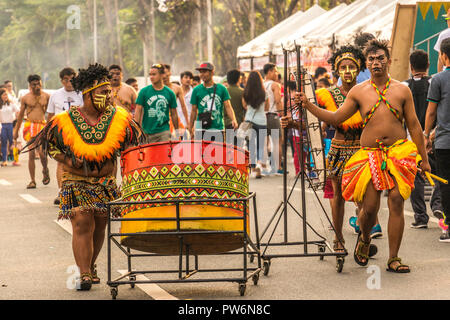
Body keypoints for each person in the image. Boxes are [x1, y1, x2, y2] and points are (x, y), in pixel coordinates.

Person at [295, 39, 431, 273]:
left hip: (399, 154)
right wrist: (308, 105)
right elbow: (337, 118)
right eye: (371, 59)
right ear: (366, 64)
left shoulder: (402, 90)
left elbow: (415, 126)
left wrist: (424, 159)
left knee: (397, 200)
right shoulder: (359, 91)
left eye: (380, 58)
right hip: (369, 155)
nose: (376, 63)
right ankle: (365, 237)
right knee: (369, 208)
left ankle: (394, 258)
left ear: (389, 61)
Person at [22, 63, 143, 290]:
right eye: (103, 92)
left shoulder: (120, 118)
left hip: (105, 182)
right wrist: (68, 160)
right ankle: (84, 273)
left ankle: (90, 264)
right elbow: (51, 146)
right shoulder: (65, 121)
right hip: (75, 180)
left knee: (99, 225)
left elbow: (131, 147)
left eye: (109, 92)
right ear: (88, 93)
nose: (110, 96)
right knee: (81, 222)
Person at [404, 50, 444, 229]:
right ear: (428, 65)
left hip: (411, 138)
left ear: (411, 66)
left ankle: (420, 217)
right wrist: (430, 134)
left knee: (415, 177)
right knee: (441, 174)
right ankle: (437, 204)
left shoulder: (404, 86)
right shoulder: (434, 82)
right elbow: (437, 110)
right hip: (435, 136)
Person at [424, 38, 450, 242]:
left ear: (443, 55)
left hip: (444, 142)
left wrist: (426, 135)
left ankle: (448, 227)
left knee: (446, 185)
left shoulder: (438, 79)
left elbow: (431, 111)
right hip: (443, 140)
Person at [47, 67, 84, 205]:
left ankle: (77, 191)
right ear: (62, 81)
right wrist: (48, 133)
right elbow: (50, 116)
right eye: (66, 80)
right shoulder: (55, 95)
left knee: (78, 161)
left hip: (78, 132)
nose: (69, 82)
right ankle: (61, 191)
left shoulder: (81, 94)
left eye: (72, 79)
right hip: (60, 133)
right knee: (61, 161)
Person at [13, 74, 50, 189]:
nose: (37, 86)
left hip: (42, 126)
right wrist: (16, 130)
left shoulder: (47, 96)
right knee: (31, 153)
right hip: (30, 126)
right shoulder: (25, 98)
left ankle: (45, 169)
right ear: (30, 85)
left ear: (41, 83)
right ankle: (32, 180)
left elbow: (51, 113)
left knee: (43, 154)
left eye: (38, 83)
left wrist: (50, 128)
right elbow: (20, 117)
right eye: (34, 84)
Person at [189, 62, 238, 142]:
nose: (202, 74)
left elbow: (228, 106)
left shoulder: (222, 89)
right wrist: (190, 127)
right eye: (200, 72)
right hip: (201, 128)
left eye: (204, 72)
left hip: (218, 128)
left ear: (212, 72)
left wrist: (233, 119)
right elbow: (193, 111)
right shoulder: (196, 90)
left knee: (219, 153)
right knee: (201, 154)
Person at [134, 63, 179, 143]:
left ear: (162, 75)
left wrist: (177, 131)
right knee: (149, 155)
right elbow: (138, 112)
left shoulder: (169, 93)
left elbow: (174, 114)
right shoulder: (144, 92)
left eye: (154, 74)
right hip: (147, 132)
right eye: (150, 74)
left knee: (163, 154)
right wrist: (137, 130)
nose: (151, 77)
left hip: (164, 131)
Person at [242, 71, 269, 178]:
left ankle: (252, 167)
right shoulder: (264, 93)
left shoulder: (245, 92)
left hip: (249, 121)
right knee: (261, 145)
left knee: (250, 145)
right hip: (262, 121)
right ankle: (259, 165)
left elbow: (244, 106)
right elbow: (267, 108)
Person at [263, 63, 284, 175]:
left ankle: (264, 166)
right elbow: (278, 101)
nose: (277, 74)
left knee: (264, 142)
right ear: (270, 71)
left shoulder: (260, 84)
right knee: (277, 142)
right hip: (272, 116)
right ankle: (278, 167)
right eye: (275, 71)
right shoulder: (275, 85)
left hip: (262, 116)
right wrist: (282, 115)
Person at [163, 64, 189, 135]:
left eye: (165, 72)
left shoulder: (177, 88)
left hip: (174, 118)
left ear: (169, 73)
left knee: (177, 141)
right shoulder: (156, 89)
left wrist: (188, 123)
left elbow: (183, 107)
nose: (164, 75)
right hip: (161, 120)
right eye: (162, 73)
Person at [0, 88, 20, 166]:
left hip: (11, 125)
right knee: (4, 143)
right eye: (4, 95)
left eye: (6, 95)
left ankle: (16, 160)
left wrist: (17, 120)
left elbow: (18, 111)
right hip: (3, 125)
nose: (5, 96)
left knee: (13, 143)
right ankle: (4, 160)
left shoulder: (11, 104)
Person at [435, 9, 450, 73]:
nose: (447, 22)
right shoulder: (443, 34)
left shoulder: (444, 34)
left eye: (447, 19)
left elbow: (440, 58)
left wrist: (439, 75)